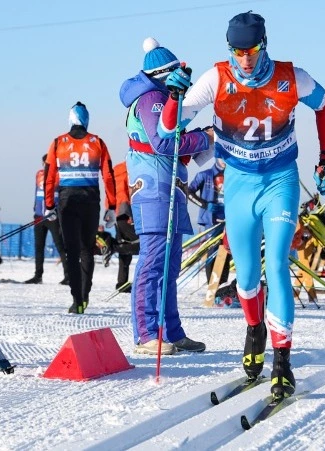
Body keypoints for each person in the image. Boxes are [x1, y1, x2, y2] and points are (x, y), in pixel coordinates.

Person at [159, 12, 325, 398]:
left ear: (264, 44)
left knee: (276, 264)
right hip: (239, 184)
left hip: (280, 181)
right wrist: (174, 97)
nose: (245, 59)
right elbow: (168, 128)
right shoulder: (215, 78)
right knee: (245, 277)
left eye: (252, 50)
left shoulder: (293, 77)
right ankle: (254, 328)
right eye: (237, 51)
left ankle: (282, 361)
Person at [119, 37, 213, 355]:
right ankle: (146, 332)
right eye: (178, 73)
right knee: (153, 264)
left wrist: (198, 138)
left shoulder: (159, 97)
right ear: (165, 73)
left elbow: (169, 138)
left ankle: (171, 330)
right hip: (154, 191)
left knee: (170, 267)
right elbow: (162, 144)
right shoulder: (152, 98)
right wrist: (203, 138)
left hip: (168, 188)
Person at [44, 102, 117, 314]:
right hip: (91, 200)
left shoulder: (58, 142)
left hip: (67, 200)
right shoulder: (98, 142)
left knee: (72, 250)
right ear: (86, 119)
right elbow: (109, 176)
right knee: (87, 249)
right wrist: (110, 206)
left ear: (70, 119)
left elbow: (49, 176)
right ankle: (85, 295)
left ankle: (77, 300)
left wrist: (49, 204)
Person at [25, 154, 68, 285]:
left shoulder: (60, 175)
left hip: (52, 216)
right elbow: (36, 191)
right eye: (45, 163)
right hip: (39, 216)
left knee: (60, 245)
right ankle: (38, 275)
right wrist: (34, 208)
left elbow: (63, 195)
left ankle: (68, 275)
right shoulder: (39, 174)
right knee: (39, 246)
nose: (46, 165)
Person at [189, 158, 230, 283]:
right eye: (221, 157)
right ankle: (212, 285)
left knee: (226, 252)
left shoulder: (233, 176)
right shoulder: (205, 175)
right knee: (212, 250)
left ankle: (222, 286)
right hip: (211, 220)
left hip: (229, 219)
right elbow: (188, 192)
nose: (224, 160)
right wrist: (205, 205)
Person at [112, 162, 139, 293]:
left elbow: (110, 193)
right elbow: (128, 193)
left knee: (124, 248)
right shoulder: (130, 171)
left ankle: (122, 282)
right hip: (126, 211)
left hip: (117, 212)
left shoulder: (116, 171)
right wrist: (130, 213)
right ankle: (112, 247)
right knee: (143, 245)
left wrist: (110, 210)